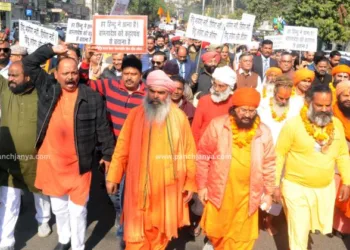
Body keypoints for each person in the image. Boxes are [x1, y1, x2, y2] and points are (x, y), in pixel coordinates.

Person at [22, 43, 115, 250]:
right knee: (59, 208)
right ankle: (64, 239)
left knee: (78, 210)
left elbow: (103, 129)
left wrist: (108, 155)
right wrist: (52, 50)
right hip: (52, 164)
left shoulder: (91, 97)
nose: (70, 77)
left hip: (79, 165)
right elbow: (28, 63)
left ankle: (78, 246)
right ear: (56, 74)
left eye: (74, 72)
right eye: (65, 73)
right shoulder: (48, 89)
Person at [106, 70, 196, 250]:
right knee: (135, 235)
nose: (156, 96)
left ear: (169, 94)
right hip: (138, 187)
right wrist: (113, 176)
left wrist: (190, 183)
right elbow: (122, 147)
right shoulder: (135, 114)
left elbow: (189, 153)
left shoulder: (179, 118)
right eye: (152, 91)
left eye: (161, 92)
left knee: (159, 235)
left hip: (167, 188)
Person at [196, 87, 275, 249]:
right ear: (234, 109)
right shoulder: (218, 126)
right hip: (220, 191)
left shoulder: (263, 132)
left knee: (243, 239)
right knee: (217, 233)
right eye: (244, 110)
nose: (247, 115)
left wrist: (268, 193)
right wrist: (202, 186)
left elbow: (269, 164)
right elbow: (203, 156)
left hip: (248, 195)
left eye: (252, 111)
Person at [275, 84, 350, 250]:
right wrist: (274, 185)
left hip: (324, 190)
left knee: (311, 227)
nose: (324, 109)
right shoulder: (293, 125)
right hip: (296, 188)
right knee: (299, 232)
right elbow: (279, 154)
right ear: (308, 103)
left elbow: (343, 154)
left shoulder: (336, 124)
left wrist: (346, 181)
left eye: (327, 105)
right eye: (319, 105)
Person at [0, 62, 52, 250]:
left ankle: (43, 219)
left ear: (28, 77)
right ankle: (6, 241)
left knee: (40, 192)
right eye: (9, 75)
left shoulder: (41, 94)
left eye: (14, 75)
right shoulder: (5, 89)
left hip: (37, 159)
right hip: (8, 160)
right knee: (9, 200)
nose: (10, 79)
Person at [192, 66, 236, 145]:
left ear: (229, 87)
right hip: (204, 146)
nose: (216, 89)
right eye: (214, 84)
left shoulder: (234, 102)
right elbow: (196, 128)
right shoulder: (204, 100)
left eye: (221, 86)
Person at [333, 81, 350, 236]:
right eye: (345, 95)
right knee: (338, 193)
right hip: (336, 159)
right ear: (338, 96)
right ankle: (336, 226)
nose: (348, 98)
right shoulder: (331, 112)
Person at [259, 76, 294, 144]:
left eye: (287, 99)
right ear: (274, 92)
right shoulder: (263, 105)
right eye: (281, 98)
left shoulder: (295, 108)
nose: (284, 102)